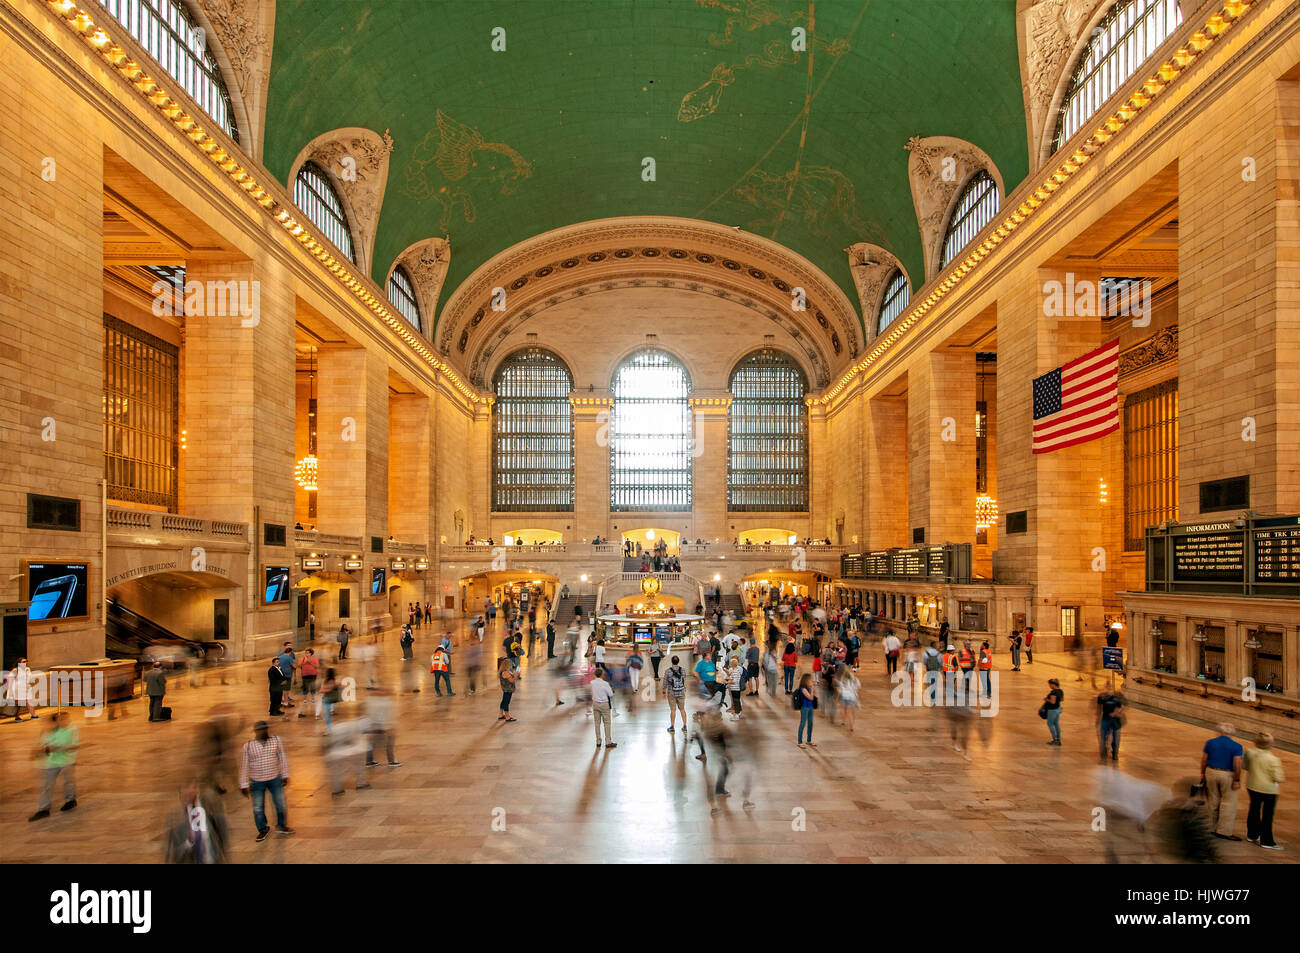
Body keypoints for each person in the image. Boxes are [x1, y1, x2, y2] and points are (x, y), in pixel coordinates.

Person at [237, 721, 294, 842]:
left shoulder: (276, 740)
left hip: (275, 778)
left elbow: (282, 757)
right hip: (257, 781)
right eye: (261, 730)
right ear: (256, 732)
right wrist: (243, 784)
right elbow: (244, 766)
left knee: (280, 803)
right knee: (258, 807)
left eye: (265, 729)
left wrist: (285, 775)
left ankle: (281, 825)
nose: (264, 732)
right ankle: (263, 829)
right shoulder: (248, 746)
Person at [28, 709, 78, 821]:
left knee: (68, 783)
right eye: (60, 720)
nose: (63, 722)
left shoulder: (72, 729)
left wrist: (53, 748)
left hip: (67, 761)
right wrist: (36, 751)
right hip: (51, 763)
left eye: (65, 719)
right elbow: (40, 744)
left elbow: (73, 745)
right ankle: (43, 809)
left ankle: (71, 800)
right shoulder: (47, 731)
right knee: (46, 786)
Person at [163, 781, 228, 863]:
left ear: (196, 790)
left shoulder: (210, 805)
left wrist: (224, 857)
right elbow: (174, 854)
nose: (187, 796)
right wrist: (188, 843)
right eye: (184, 794)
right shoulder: (175, 818)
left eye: (190, 791)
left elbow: (222, 835)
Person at [1200, 723, 1244, 840]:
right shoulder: (1237, 746)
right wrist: (1237, 779)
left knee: (1212, 800)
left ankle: (1210, 827)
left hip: (1211, 772)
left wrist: (1202, 773)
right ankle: (1224, 831)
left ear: (1220, 731)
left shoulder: (1210, 742)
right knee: (1228, 803)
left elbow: (1204, 759)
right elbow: (1237, 764)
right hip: (1227, 774)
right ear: (1231, 733)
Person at [1243, 732, 1284, 850]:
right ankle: (1267, 840)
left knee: (1254, 810)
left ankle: (1252, 834)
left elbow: (1245, 766)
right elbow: (1278, 778)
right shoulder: (1273, 759)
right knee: (1267, 815)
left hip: (1252, 786)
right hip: (1269, 790)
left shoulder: (1249, 752)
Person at [362, 692, 400, 767]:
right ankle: (391, 761)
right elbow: (381, 714)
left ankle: (369, 761)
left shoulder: (371, 699)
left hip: (375, 724)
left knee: (372, 742)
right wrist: (388, 725)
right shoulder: (379, 701)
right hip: (379, 725)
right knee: (389, 742)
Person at [591, 667, 616, 749]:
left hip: (595, 704)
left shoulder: (592, 683)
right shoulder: (605, 683)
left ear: (595, 674)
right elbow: (610, 694)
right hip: (604, 704)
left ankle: (598, 741)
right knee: (607, 723)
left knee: (597, 723)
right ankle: (608, 741)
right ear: (602, 675)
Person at [663, 655, 688, 732]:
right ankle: (684, 726)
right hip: (681, 692)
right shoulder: (683, 670)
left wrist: (663, 691)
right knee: (682, 709)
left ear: (672, 662)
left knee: (673, 710)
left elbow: (665, 683)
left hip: (672, 693)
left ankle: (672, 726)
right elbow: (684, 679)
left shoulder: (668, 671)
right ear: (678, 661)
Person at [1096, 689, 1123, 760]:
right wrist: (1098, 718)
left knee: (1116, 738)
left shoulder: (1116, 699)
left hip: (1115, 721)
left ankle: (1115, 753)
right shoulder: (1102, 698)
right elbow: (1099, 708)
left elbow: (1120, 708)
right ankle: (1104, 750)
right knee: (1104, 736)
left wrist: (1115, 713)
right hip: (1105, 719)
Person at [795, 673, 816, 748]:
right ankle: (799, 741)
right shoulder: (803, 689)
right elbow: (811, 698)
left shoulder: (809, 688)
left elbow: (812, 697)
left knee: (810, 723)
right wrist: (812, 689)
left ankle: (809, 740)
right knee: (803, 723)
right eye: (810, 680)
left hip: (810, 707)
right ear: (806, 681)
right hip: (804, 707)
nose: (812, 681)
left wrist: (812, 688)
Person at [299, 649, 320, 719]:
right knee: (305, 687)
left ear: (311, 654)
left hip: (313, 674)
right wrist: (304, 662)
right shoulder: (302, 659)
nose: (306, 654)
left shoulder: (314, 659)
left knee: (312, 686)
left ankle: (313, 698)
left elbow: (317, 666)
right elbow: (299, 665)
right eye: (306, 653)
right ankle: (305, 699)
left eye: (308, 653)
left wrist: (310, 662)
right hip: (304, 674)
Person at [1042, 678, 1063, 745]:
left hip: (1052, 710)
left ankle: (1055, 740)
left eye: (1050, 684)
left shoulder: (1054, 692)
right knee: (1056, 724)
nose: (1049, 686)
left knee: (1050, 724)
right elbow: (1061, 700)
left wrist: (1046, 699)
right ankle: (1058, 739)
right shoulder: (1060, 691)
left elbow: (1052, 702)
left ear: (1053, 684)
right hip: (1058, 709)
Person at [839, 666, 859, 733]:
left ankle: (843, 721)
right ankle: (851, 727)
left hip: (844, 696)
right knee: (851, 713)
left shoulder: (842, 680)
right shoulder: (855, 680)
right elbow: (858, 688)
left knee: (843, 709)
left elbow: (840, 690)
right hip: (852, 697)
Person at [498, 657, 517, 723]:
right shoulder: (506, 673)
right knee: (506, 702)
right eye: (510, 664)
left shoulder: (503, 672)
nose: (511, 666)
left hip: (506, 690)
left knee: (503, 701)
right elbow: (512, 680)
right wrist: (515, 675)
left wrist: (514, 668)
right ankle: (507, 716)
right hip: (508, 690)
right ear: (507, 665)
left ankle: (500, 714)